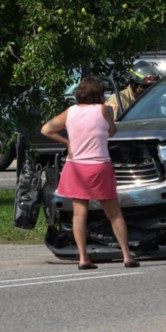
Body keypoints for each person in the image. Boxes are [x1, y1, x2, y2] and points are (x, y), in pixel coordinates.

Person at [41, 77, 139, 269]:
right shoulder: (103, 110)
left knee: (79, 213)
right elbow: (112, 131)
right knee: (113, 212)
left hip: (76, 166)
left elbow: (46, 129)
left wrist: (67, 142)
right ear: (99, 94)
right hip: (99, 165)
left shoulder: (70, 112)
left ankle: (83, 258)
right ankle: (127, 255)